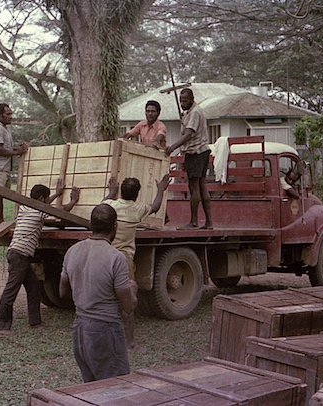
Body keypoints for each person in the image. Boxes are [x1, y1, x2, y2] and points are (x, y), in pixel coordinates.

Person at [59, 204, 138, 383]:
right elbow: (128, 306)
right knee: (116, 389)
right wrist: (132, 289)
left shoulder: (72, 251)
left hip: (79, 329)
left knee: (92, 389)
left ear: (90, 224)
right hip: (105, 330)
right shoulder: (116, 257)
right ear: (115, 227)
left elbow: (63, 292)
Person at [0, 179, 80, 335]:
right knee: (11, 290)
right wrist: (73, 200)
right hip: (20, 255)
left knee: (33, 287)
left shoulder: (24, 208)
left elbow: (44, 205)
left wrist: (55, 194)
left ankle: (35, 322)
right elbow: (61, 211)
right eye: (47, 199)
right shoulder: (39, 212)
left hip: (19, 255)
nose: (48, 201)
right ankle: (1, 325)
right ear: (41, 199)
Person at [102, 174, 169, 352]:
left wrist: (111, 192)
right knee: (127, 302)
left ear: (121, 191)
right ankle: (130, 343)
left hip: (106, 257)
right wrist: (161, 189)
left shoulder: (110, 206)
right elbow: (155, 206)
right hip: (124, 260)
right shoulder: (138, 210)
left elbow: (102, 205)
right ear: (137, 195)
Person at [165, 88, 213, 230]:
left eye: (185, 101)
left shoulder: (194, 113)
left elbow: (188, 134)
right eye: (180, 101)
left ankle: (193, 222)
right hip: (202, 152)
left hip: (196, 153)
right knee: (202, 186)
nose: (182, 103)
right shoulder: (189, 113)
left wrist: (172, 147)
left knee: (194, 188)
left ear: (192, 99)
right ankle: (209, 222)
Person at [0, 103, 29, 229]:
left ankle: (1, 222)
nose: (11, 116)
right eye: (8, 114)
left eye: (11, 114)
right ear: (0, 115)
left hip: (4, 167)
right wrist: (16, 152)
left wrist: (18, 148)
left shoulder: (4, 129)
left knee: (0, 195)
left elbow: (6, 148)